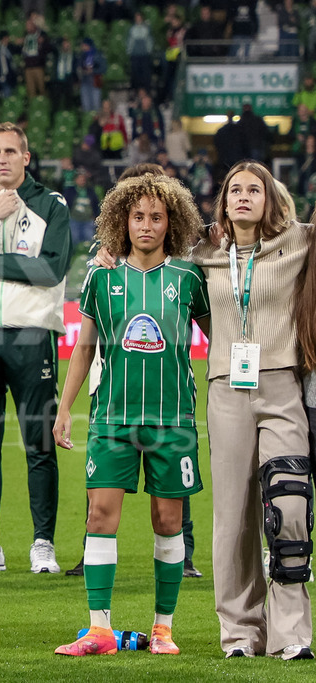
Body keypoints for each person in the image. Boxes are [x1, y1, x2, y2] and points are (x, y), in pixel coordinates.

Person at [52, 173, 209, 656]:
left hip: (173, 418)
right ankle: (99, 631)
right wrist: (64, 409)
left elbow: (219, 338)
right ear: (123, 220)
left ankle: (163, 630)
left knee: (168, 521)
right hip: (112, 418)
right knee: (101, 516)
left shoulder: (188, 278)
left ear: (171, 223)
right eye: (138, 216)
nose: (146, 225)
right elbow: (83, 349)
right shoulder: (101, 277)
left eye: (156, 217)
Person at [193, 162, 315, 660]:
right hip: (226, 388)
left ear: (271, 198)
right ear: (223, 202)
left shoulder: (301, 242)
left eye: (254, 190)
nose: (243, 197)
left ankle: (292, 634)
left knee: (291, 507)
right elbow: (144, 243)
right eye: (234, 190)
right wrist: (111, 251)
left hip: (283, 384)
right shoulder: (200, 253)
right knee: (234, 519)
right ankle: (241, 633)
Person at [0, 122, 72, 574]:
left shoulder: (50, 204)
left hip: (31, 334)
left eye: (10, 151)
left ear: (26, 157)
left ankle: (42, 543)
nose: (1, 159)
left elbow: (52, 269)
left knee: (39, 443)